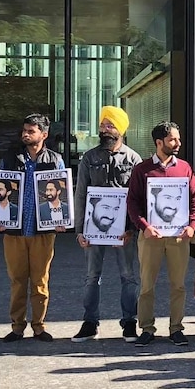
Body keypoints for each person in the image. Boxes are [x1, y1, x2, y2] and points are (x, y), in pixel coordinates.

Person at [127, 121, 195, 347]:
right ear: (159, 143)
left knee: (178, 285)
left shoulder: (185, 168)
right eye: (172, 140)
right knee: (147, 285)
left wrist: (192, 225)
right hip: (151, 237)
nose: (178, 143)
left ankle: (176, 328)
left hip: (179, 237)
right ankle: (146, 328)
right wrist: (144, 226)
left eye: (178, 139)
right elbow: (133, 202)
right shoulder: (143, 169)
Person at [71, 106, 142, 343]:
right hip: (93, 229)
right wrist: (79, 230)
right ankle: (90, 323)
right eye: (102, 125)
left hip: (124, 231)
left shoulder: (133, 159)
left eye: (110, 125)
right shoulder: (89, 158)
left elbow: (138, 198)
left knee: (128, 276)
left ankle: (129, 322)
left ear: (120, 129)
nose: (104, 130)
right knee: (92, 276)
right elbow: (80, 194)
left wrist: (132, 228)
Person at [0, 114, 65, 343]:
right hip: (15, 231)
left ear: (43, 135)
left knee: (40, 280)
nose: (26, 134)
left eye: (31, 131)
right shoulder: (11, 157)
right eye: (24, 130)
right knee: (17, 280)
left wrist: (62, 218)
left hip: (43, 231)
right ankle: (17, 327)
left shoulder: (55, 160)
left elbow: (62, 192)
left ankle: (39, 326)